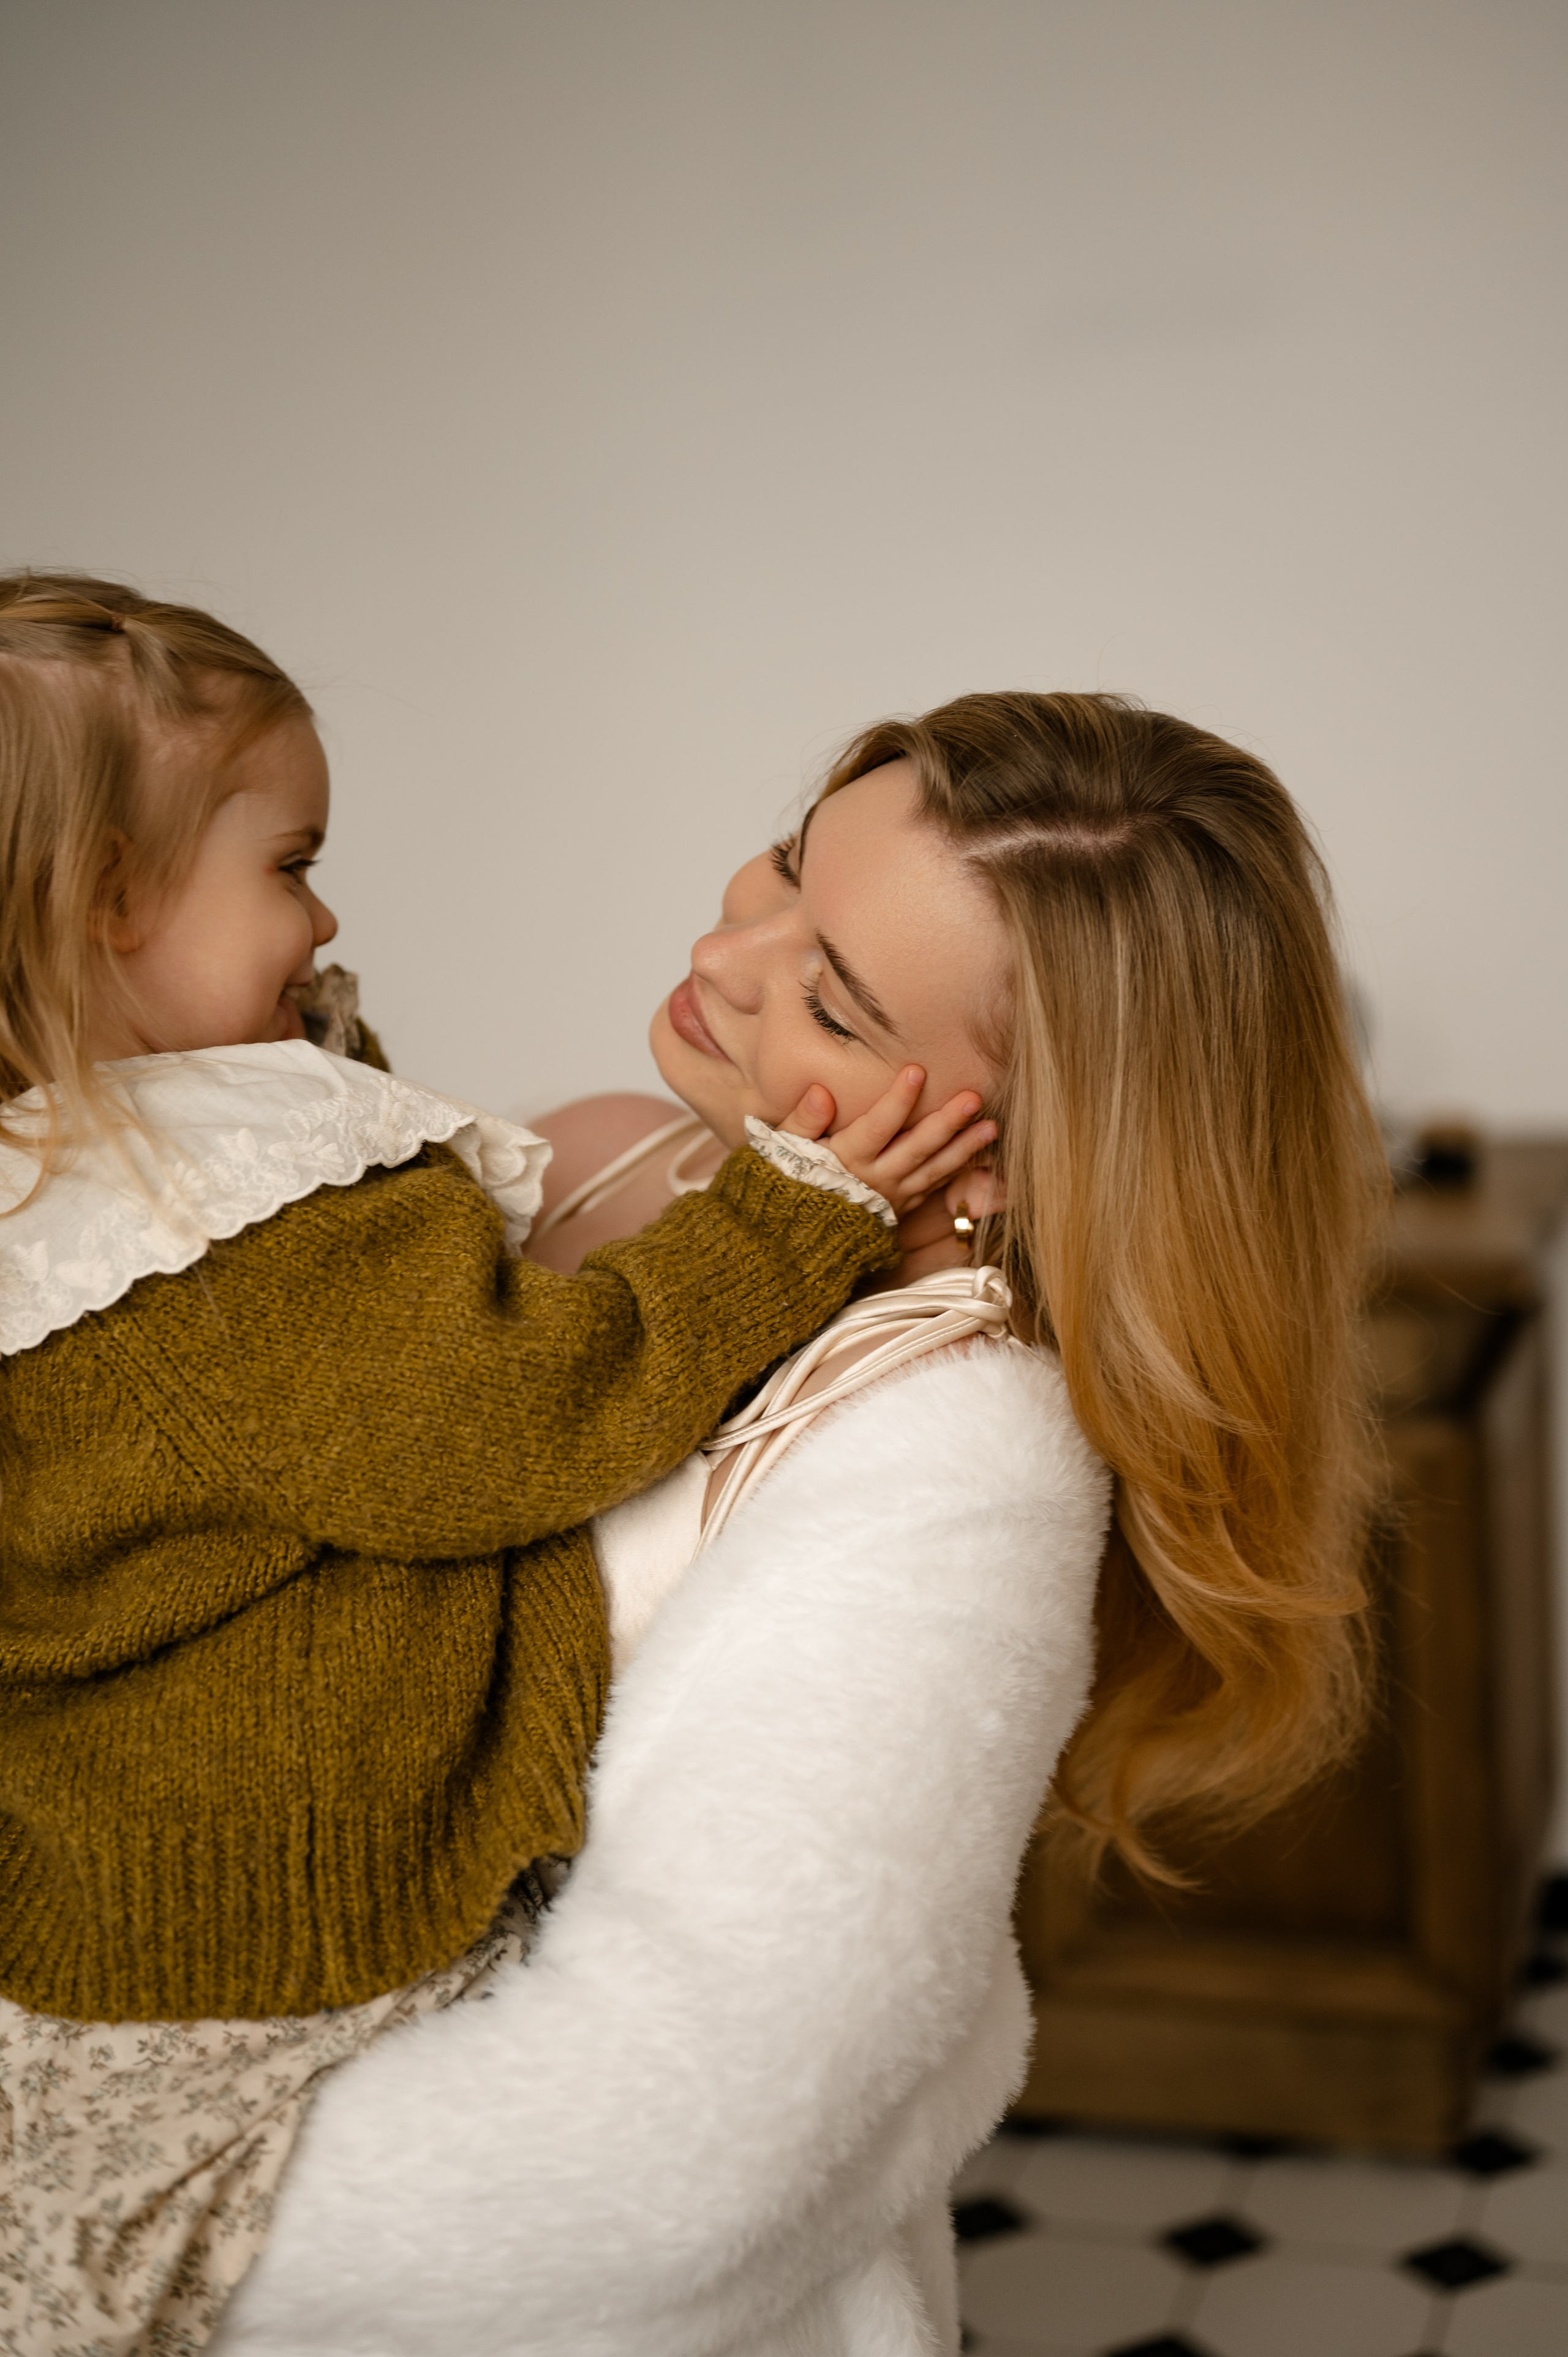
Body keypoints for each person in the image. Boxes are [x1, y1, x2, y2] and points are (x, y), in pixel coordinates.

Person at [208, 690, 1384, 2357]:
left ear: (1022, 1153)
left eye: (831, 995)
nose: (728, 946)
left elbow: (666, 2164)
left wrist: (125, 2186)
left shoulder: (953, 1460)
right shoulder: (616, 1166)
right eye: (781, 868)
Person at [0, 577, 996, 2349]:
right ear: (109, 908)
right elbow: (494, 1421)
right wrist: (786, 1227)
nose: (326, 914)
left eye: (835, 1003)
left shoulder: (953, 1436)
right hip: (247, 1924)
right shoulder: (221, 1225)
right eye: (292, 865)